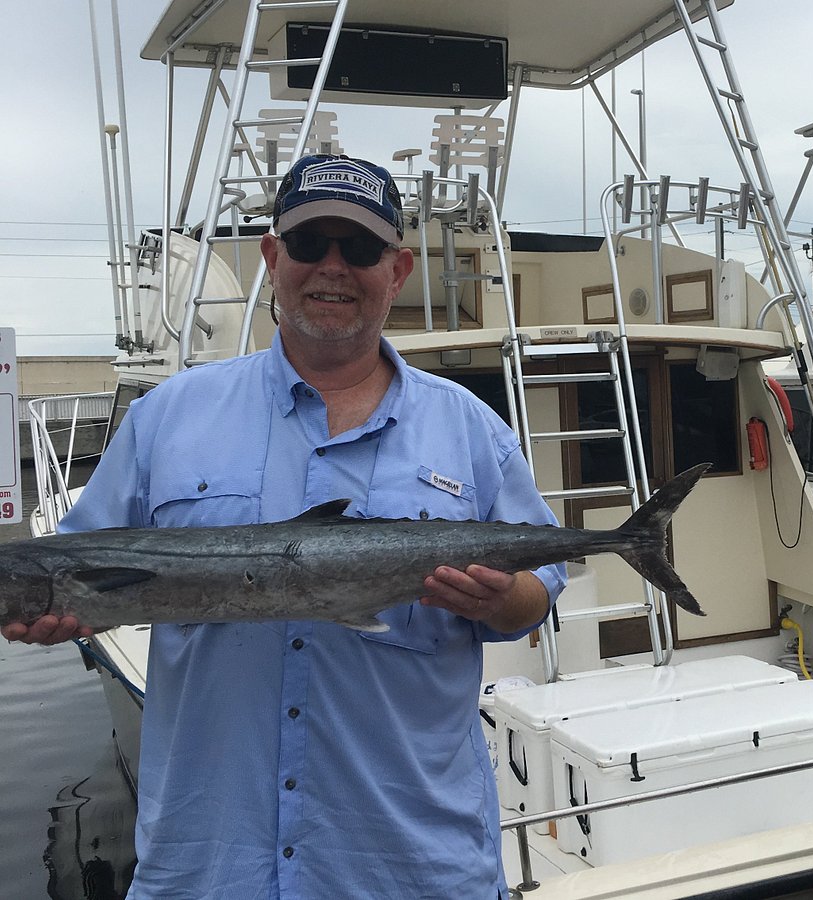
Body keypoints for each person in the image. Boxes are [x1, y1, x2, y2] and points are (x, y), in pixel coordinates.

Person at [3, 154, 566, 898]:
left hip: (412, 865)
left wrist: (506, 601)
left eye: (359, 249)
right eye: (309, 245)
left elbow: (541, 588)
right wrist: (57, 617)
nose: (333, 267)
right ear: (274, 258)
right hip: (210, 867)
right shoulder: (169, 416)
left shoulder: (472, 430)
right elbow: (83, 562)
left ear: (395, 271)